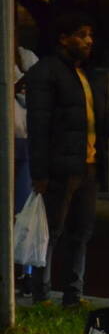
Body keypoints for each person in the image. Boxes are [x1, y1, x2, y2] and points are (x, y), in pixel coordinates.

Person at [23, 12, 109, 308]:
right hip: (61, 166)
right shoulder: (48, 72)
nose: (88, 41)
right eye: (82, 34)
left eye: (90, 35)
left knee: (81, 231)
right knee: (51, 231)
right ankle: (41, 294)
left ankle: (73, 295)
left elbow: (95, 118)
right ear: (63, 38)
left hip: (87, 166)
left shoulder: (88, 76)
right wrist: (40, 172)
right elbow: (39, 126)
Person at [13, 38, 39, 297]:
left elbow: (40, 94)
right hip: (6, 142)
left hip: (25, 141)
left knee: (24, 211)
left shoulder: (26, 56)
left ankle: (26, 272)